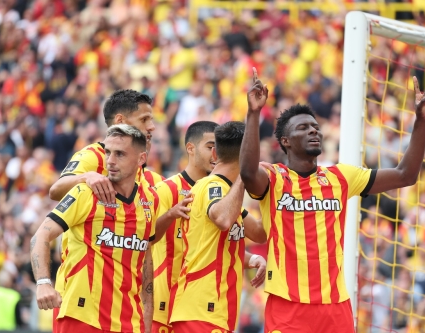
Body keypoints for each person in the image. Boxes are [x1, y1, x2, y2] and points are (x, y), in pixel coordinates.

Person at [239, 68, 425, 332]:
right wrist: (253, 114)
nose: (314, 131)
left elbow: (406, 175)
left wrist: (420, 122)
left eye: (316, 127)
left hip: (335, 307)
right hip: (288, 306)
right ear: (285, 141)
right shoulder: (274, 178)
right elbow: (248, 173)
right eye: (303, 128)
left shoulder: (341, 176)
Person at [31, 124, 158, 333]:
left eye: (120, 154)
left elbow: (145, 260)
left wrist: (147, 314)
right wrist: (43, 282)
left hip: (129, 322)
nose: (111, 161)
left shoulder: (150, 200)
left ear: (141, 159)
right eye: (108, 152)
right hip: (81, 318)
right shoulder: (85, 193)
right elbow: (41, 236)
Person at [152, 121, 266, 333]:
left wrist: (251, 258)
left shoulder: (225, 194)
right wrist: (169, 215)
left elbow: (249, 234)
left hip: (203, 306)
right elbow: (144, 238)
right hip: (169, 305)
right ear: (191, 148)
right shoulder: (167, 190)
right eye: (211, 145)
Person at [49, 89, 164, 204]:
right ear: (120, 121)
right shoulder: (94, 155)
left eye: (151, 120)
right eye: (144, 119)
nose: (151, 127)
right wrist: (86, 177)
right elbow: (55, 191)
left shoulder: (149, 175)